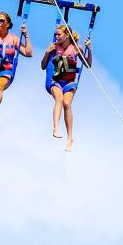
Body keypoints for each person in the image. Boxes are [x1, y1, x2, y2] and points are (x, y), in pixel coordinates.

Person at [41, 24, 92, 152]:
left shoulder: (75, 48)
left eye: (59, 34)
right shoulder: (53, 47)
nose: (56, 37)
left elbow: (88, 64)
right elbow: (42, 66)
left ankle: (70, 138)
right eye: (55, 34)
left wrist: (89, 49)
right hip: (56, 81)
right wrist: (47, 52)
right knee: (59, 99)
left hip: (69, 81)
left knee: (67, 103)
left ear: (67, 35)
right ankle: (56, 128)